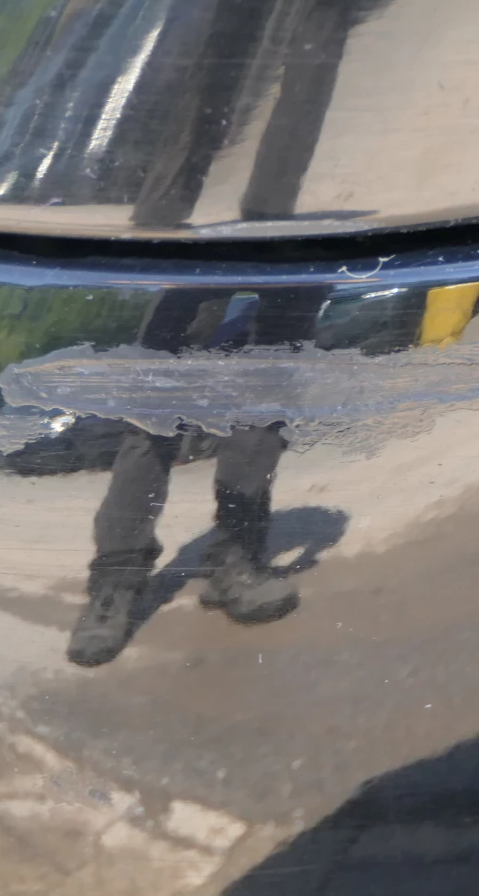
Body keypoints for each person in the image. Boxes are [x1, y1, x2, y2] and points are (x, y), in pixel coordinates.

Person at [68, 285, 329, 667]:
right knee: (152, 414)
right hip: (195, 259)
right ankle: (115, 580)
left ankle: (236, 559)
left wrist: (311, 552)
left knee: (264, 400)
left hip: (291, 258)